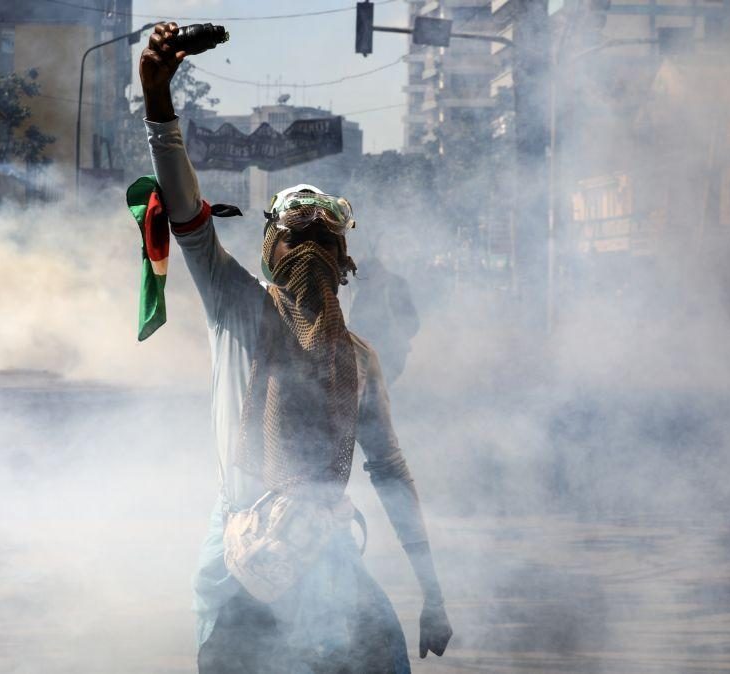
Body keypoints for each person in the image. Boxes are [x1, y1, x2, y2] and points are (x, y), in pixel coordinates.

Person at [139, 23, 452, 673]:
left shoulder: (358, 361)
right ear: (269, 251)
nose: (306, 246)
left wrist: (432, 594)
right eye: (293, 234)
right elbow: (187, 215)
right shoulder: (238, 306)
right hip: (237, 555)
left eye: (323, 238)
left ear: (345, 264)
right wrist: (158, 105)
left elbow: (392, 476)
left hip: (325, 554)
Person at [349, 256, 421, 384]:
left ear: (378, 273)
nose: (364, 286)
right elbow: (355, 321)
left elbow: (413, 323)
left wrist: (396, 337)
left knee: (376, 389)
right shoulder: (364, 293)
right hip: (368, 352)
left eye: (366, 280)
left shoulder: (396, 288)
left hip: (392, 354)